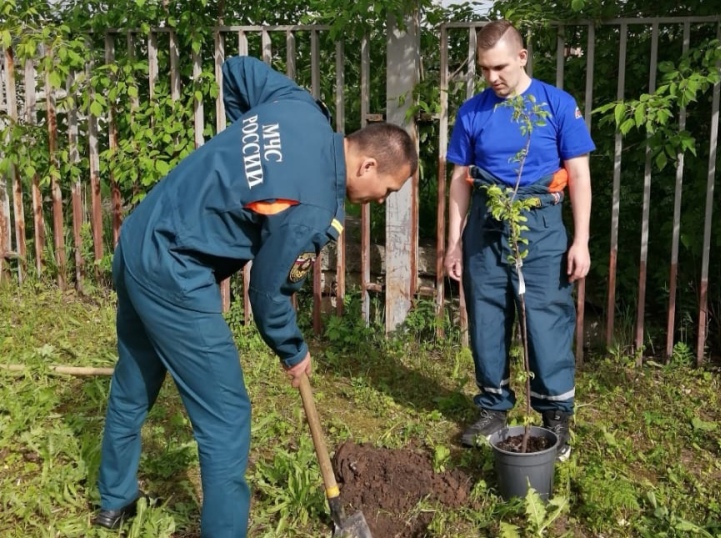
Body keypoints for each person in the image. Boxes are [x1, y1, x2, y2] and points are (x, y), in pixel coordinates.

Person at [93, 55, 417, 536]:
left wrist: (251, 152)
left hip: (138, 238)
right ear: (368, 164)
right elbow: (266, 294)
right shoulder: (313, 210)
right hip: (174, 270)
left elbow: (238, 69)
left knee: (135, 378)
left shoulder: (300, 109)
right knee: (226, 417)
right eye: (386, 189)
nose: (379, 200)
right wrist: (293, 350)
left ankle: (113, 501)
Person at [445, 20, 594, 460]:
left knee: (545, 317)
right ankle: (493, 406)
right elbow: (459, 180)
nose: (493, 78)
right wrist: (455, 242)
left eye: (500, 67)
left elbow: (580, 174)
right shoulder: (472, 112)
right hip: (486, 229)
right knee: (487, 316)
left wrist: (581, 239)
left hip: (541, 226)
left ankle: (555, 415)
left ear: (522, 57)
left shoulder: (556, 104)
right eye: (484, 69)